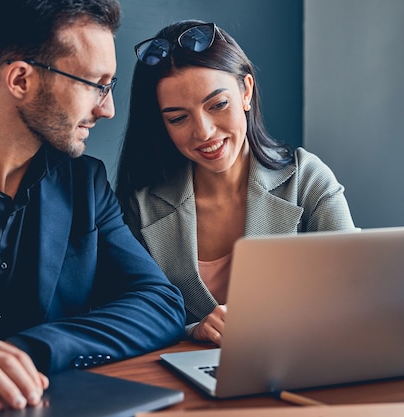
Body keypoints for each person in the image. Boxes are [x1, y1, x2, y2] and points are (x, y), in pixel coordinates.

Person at [0, 0, 186, 412]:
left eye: (110, 85)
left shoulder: (87, 183)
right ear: (20, 79)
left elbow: (159, 302)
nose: (108, 108)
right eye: (95, 84)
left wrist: (31, 351)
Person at [116, 20, 357, 347]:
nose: (203, 132)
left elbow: (354, 294)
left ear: (246, 91)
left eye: (217, 105)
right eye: (177, 118)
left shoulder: (307, 180)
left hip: (296, 365)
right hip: (186, 378)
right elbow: (128, 314)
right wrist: (193, 330)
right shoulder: (141, 205)